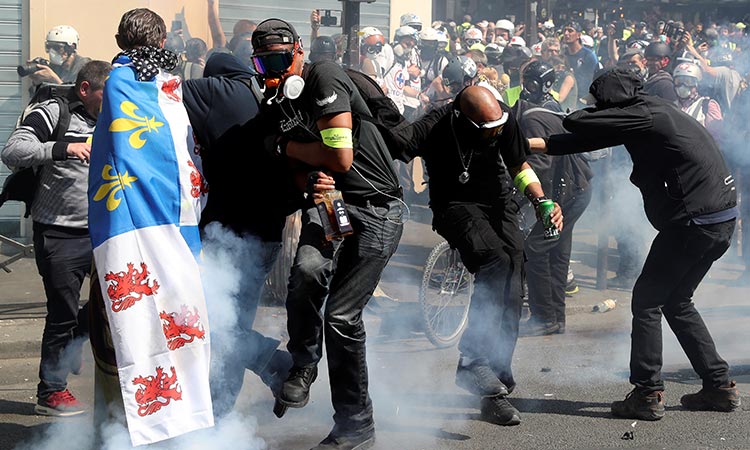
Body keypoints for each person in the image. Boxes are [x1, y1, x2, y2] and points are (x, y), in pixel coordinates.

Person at [529, 67, 741, 421]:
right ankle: (719, 386)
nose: (595, 108)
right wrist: (530, 143)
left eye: (600, 103)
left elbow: (580, 123)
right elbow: (584, 140)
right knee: (677, 301)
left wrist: (577, 112)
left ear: (614, 102)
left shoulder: (646, 113)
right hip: (716, 219)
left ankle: (646, 392)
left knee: (646, 301)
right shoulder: (647, 113)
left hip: (694, 222)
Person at [251, 19, 405, 449]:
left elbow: (339, 156)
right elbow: (298, 170)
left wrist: (287, 148)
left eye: (282, 59)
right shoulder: (274, 101)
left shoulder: (325, 74)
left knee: (340, 316)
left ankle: (357, 426)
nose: (275, 70)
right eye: (266, 62)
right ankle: (302, 364)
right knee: (304, 274)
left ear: (298, 51)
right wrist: (305, 181)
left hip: (376, 209)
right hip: (330, 206)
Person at [88, 8, 213, 444]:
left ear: (120, 41)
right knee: (180, 317)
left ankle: (116, 431)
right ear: (162, 43)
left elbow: (115, 152)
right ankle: (176, 427)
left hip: (126, 224)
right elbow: (185, 160)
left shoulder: (118, 82)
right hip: (176, 223)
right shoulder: (175, 87)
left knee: (119, 332)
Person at [407, 85, 562, 426]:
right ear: (465, 120)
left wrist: (540, 201)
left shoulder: (504, 120)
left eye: (499, 126)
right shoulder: (435, 125)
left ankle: (495, 383)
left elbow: (519, 164)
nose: (495, 133)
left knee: (514, 269)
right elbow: (391, 143)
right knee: (496, 260)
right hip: (455, 205)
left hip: (498, 202)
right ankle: (473, 360)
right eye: (487, 130)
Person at [182, 52, 296, 418]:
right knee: (230, 323)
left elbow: (161, 92)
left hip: (230, 235)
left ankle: (271, 362)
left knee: (214, 323)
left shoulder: (220, 90)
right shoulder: (268, 96)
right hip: (266, 236)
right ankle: (221, 413)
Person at [2, 60, 110, 416]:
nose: (113, 100)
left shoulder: (117, 119)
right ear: (84, 90)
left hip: (106, 234)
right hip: (59, 234)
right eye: (105, 93)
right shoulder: (54, 112)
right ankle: (50, 392)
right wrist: (63, 148)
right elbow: (13, 151)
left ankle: (77, 340)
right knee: (61, 314)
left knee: (113, 304)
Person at [512, 61, 592, 336]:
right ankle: (556, 319)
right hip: (574, 190)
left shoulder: (533, 117)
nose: (526, 87)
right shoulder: (551, 107)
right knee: (557, 251)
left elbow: (542, 167)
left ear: (543, 85)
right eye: (526, 81)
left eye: (532, 82)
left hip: (566, 193)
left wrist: (536, 200)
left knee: (535, 249)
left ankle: (544, 318)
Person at [673, 61, 723, 137]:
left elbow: (717, 136)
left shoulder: (706, 105)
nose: (682, 86)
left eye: (688, 81)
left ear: (697, 84)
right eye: (679, 81)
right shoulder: (672, 105)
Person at [562, 21, 598, 102]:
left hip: (583, 99)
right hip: (567, 98)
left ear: (578, 35)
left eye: (570, 31)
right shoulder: (563, 54)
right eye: (565, 30)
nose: (566, 33)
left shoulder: (588, 55)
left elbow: (596, 78)